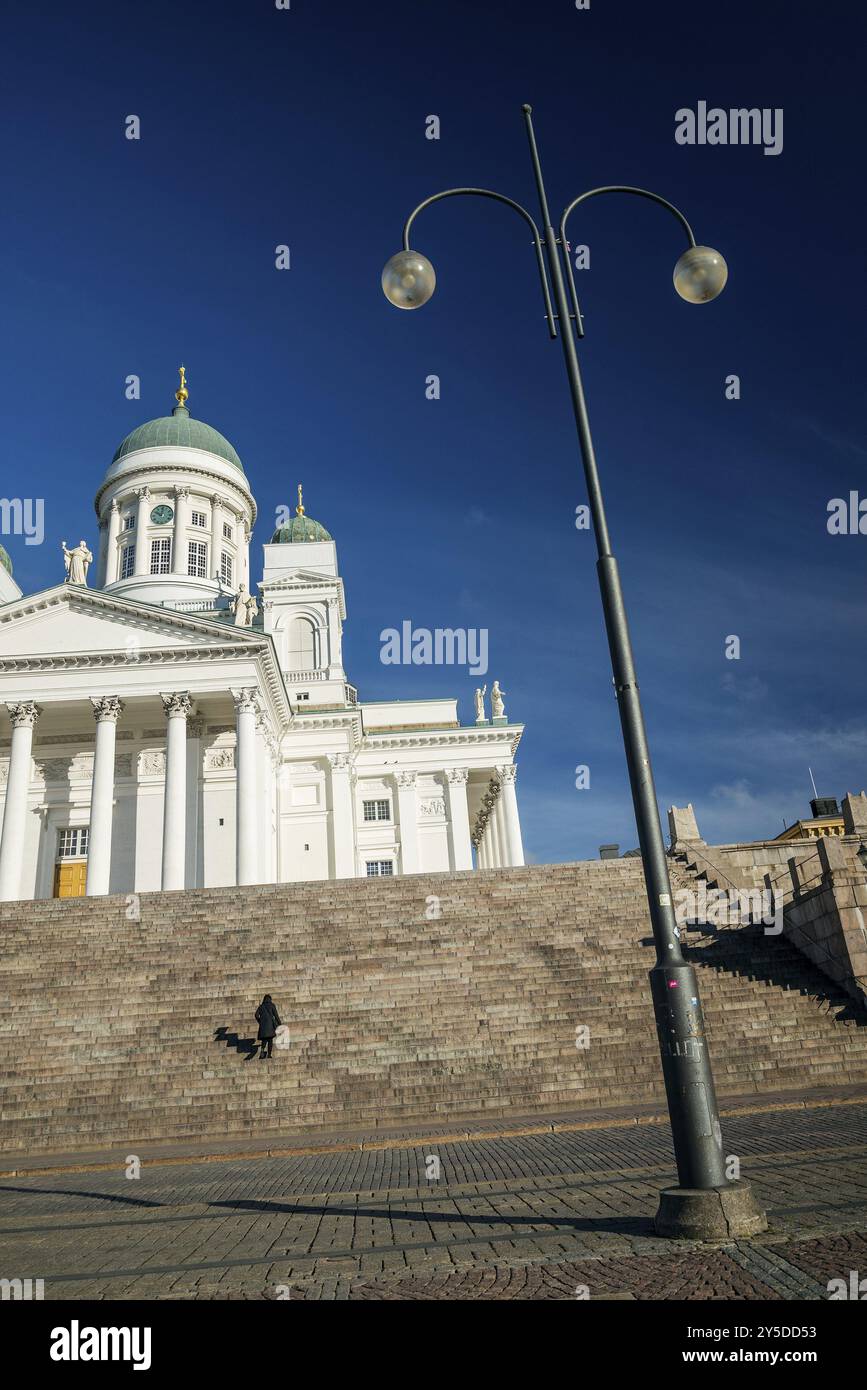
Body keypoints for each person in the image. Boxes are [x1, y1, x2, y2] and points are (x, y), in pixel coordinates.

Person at [255, 993, 281, 1060]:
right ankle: (269, 1054)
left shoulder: (261, 1006)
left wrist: (260, 1021)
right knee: (270, 1040)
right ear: (270, 999)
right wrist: (280, 1023)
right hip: (271, 1026)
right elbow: (276, 1015)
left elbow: (256, 1015)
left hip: (263, 1026)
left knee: (264, 1039)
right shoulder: (272, 1005)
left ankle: (262, 1051)